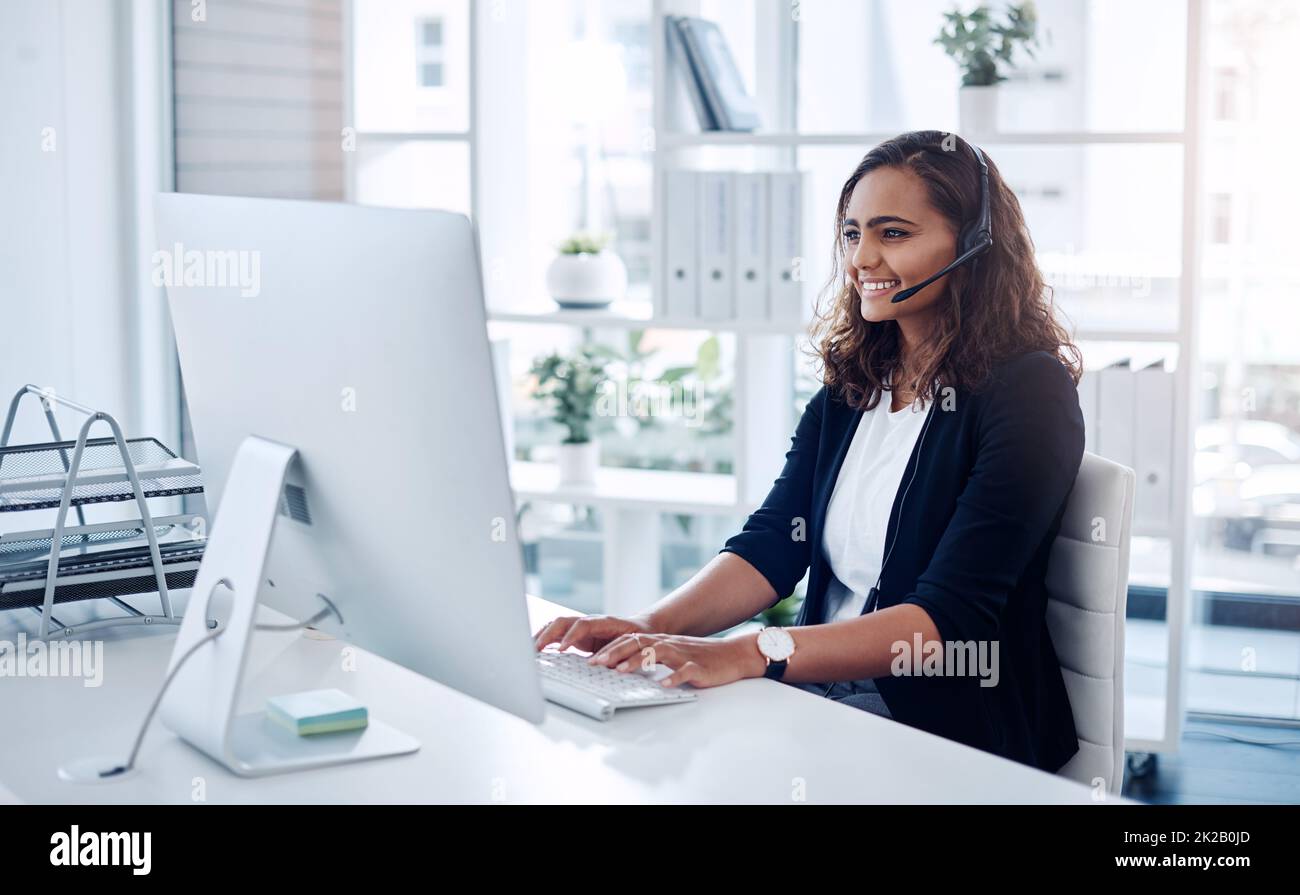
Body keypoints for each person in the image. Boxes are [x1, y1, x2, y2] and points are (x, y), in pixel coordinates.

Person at [534, 130, 1085, 772]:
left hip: (946, 727)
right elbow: (774, 545)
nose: (861, 259)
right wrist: (649, 626)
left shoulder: (1026, 392)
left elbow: (947, 623)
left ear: (972, 246)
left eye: (893, 234)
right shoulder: (856, 385)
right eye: (852, 234)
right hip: (819, 691)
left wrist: (750, 652)